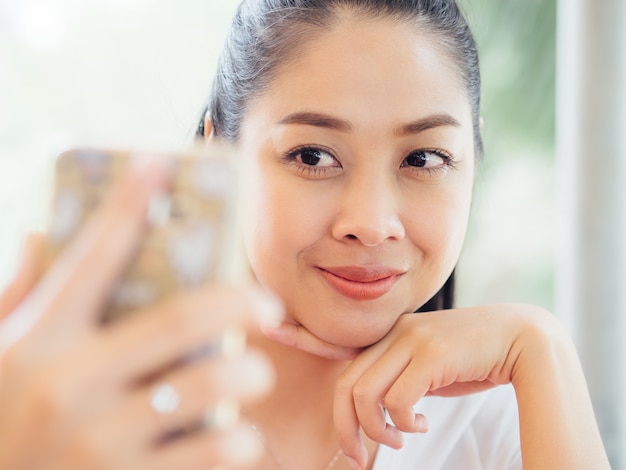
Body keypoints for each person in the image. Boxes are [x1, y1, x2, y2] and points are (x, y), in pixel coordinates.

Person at [0, 0, 610, 469]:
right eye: (313, 155)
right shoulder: (91, 407)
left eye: (423, 159)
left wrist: (542, 345)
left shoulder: (516, 416)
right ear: (220, 150)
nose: (370, 223)